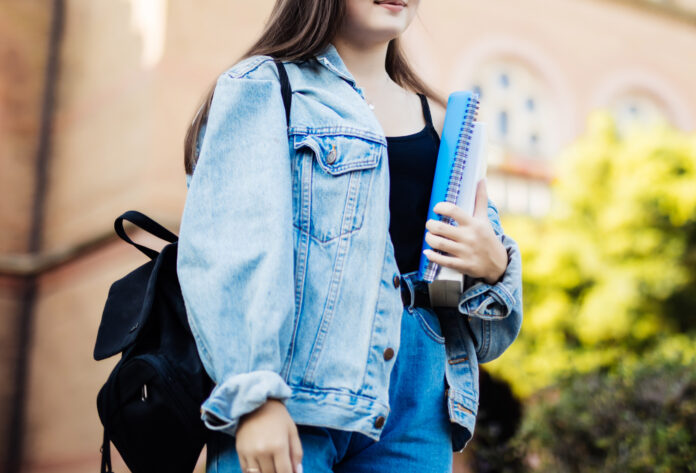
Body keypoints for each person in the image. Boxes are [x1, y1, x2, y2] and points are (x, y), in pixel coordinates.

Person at [176, 1, 523, 472]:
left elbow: (492, 335)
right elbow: (229, 253)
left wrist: (494, 266)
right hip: (295, 397)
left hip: (419, 409)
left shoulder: (445, 123)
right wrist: (253, 393)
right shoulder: (265, 86)